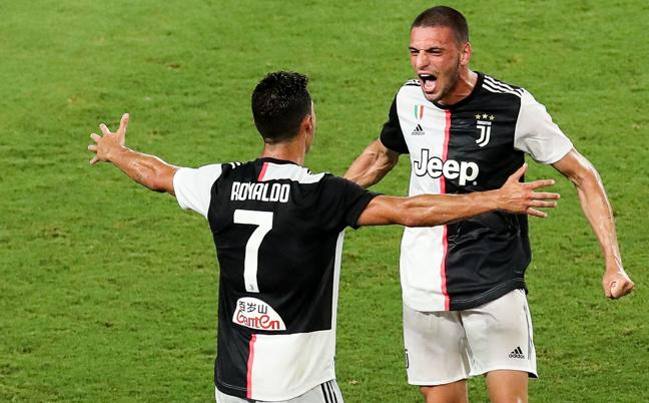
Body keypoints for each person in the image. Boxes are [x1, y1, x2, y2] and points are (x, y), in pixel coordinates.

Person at [87, 71, 559, 403]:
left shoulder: (219, 182)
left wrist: (116, 152)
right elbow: (412, 210)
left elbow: (157, 174)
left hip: (231, 385)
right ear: (308, 124)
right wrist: (495, 199)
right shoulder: (320, 195)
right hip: (299, 386)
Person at [344, 6, 635, 403]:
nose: (421, 64)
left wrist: (612, 262)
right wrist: (325, 202)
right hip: (424, 283)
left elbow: (582, 174)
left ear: (464, 53)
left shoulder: (512, 108)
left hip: (493, 281)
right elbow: (382, 156)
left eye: (434, 52)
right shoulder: (408, 99)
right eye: (414, 52)